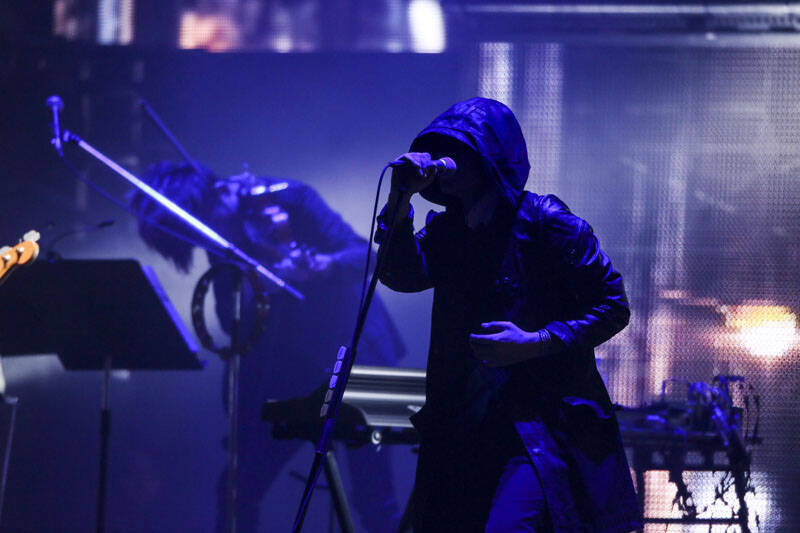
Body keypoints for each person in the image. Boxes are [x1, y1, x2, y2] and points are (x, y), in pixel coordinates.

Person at [376, 97, 643, 532]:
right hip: (466, 425)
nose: (444, 159)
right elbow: (401, 275)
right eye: (438, 148)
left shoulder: (547, 223)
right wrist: (399, 202)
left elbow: (612, 305)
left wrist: (535, 342)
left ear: (490, 157)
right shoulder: (448, 231)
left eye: (458, 149)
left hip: (540, 428)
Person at [130, 161, 405, 532]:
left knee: (375, 497)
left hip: (354, 353)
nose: (205, 236)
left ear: (209, 199)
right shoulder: (218, 232)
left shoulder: (291, 198)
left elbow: (363, 255)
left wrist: (321, 266)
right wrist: (254, 290)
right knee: (237, 490)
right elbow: (229, 319)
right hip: (290, 371)